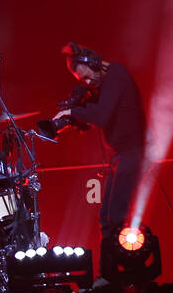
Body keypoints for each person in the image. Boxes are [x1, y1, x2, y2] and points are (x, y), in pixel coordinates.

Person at [51, 42, 145, 270]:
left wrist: (73, 111)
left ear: (94, 63)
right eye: (82, 81)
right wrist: (74, 117)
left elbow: (101, 116)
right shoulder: (104, 83)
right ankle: (109, 272)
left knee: (116, 217)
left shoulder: (115, 76)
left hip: (132, 153)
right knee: (107, 217)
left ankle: (124, 271)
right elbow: (97, 114)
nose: (88, 83)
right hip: (120, 155)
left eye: (87, 77)